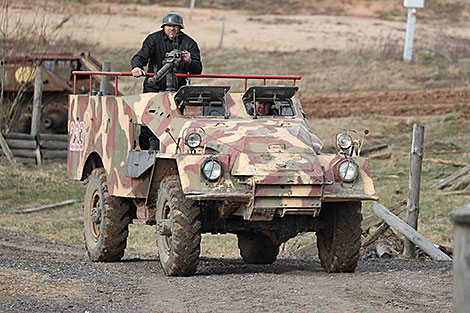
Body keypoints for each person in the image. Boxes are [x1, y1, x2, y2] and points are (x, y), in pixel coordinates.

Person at [131, 12, 203, 150]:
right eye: (169, 25)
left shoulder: (189, 43)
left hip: (177, 92)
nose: (172, 29)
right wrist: (137, 67)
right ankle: (148, 151)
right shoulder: (153, 39)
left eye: (175, 26)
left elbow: (197, 69)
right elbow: (141, 56)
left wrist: (189, 61)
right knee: (149, 123)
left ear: (180, 28)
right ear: (164, 26)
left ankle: (173, 150)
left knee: (175, 123)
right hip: (154, 88)